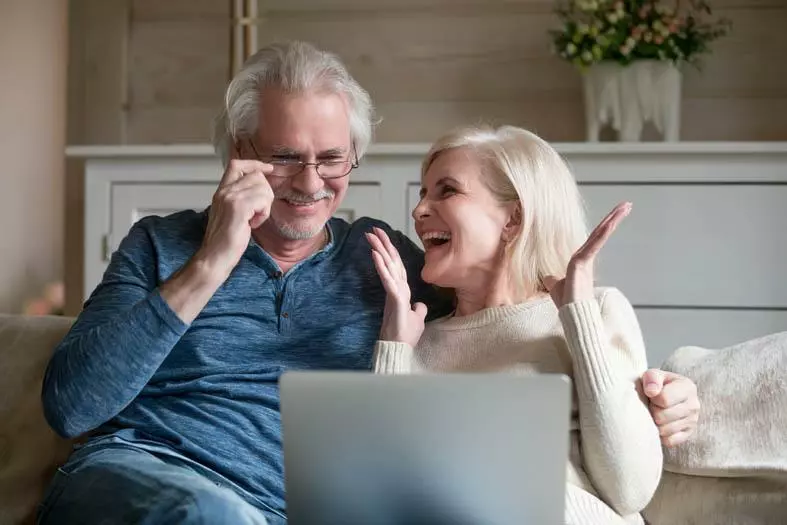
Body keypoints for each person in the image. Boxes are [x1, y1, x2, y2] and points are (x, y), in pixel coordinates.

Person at [37, 41, 700, 525]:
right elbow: (72, 405)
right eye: (284, 157)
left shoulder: (386, 262)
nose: (308, 183)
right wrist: (213, 259)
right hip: (140, 478)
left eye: (331, 159)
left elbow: (500, 318)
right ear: (237, 151)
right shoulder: (161, 244)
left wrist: (658, 389)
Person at [367, 125, 665, 524]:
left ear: (513, 219)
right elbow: (379, 497)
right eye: (423, 193)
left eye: (446, 190)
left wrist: (580, 321)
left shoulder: (595, 311)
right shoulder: (416, 342)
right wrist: (394, 347)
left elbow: (631, 490)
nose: (419, 210)